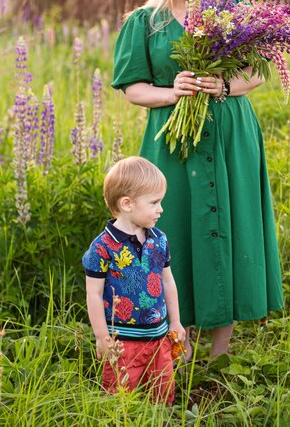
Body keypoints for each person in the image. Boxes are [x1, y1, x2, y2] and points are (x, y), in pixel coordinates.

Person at [112, 0, 284, 360]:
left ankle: (220, 353)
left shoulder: (236, 11)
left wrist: (225, 84)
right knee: (174, 232)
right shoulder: (145, 22)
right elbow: (133, 88)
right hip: (173, 140)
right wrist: (174, 92)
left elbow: (259, 72)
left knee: (228, 225)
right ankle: (178, 344)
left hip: (229, 135)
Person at [82, 156, 185, 404]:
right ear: (127, 204)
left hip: (159, 337)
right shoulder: (103, 247)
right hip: (122, 342)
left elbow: (168, 282)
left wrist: (176, 322)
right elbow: (93, 294)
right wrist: (101, 336)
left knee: (162, 395)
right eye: (154, 202)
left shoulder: (158, 240)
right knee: (120, 399)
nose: (161, 209)